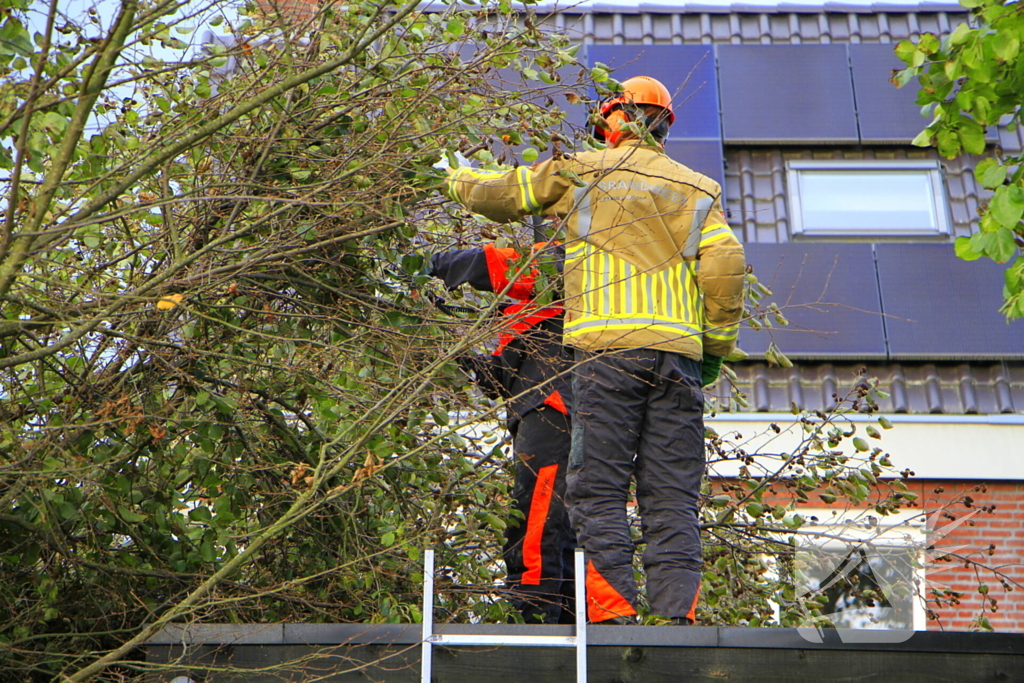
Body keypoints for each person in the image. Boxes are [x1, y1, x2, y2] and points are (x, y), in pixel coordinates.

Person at [443, 75, 746, 624]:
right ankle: (678, 620)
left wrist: (451, 177)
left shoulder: (580, 172)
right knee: (671, 497)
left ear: (614, 119)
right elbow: (726, 266)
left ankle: (613, 619)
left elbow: (505, 193)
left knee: (598, 492)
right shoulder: (698, 188)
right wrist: (715, 349)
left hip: (606, 359)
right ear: (665, 127)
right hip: (678, 359)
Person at [429, 241, 577, 624]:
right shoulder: (530, 315)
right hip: (545, 402)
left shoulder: (567, 255)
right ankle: (567, 615)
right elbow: (502, 377)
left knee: (537, 515)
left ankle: (533, 613)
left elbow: (502, 264)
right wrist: (456, 352)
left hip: (555, 404)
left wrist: (430, 265)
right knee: (561, 519)